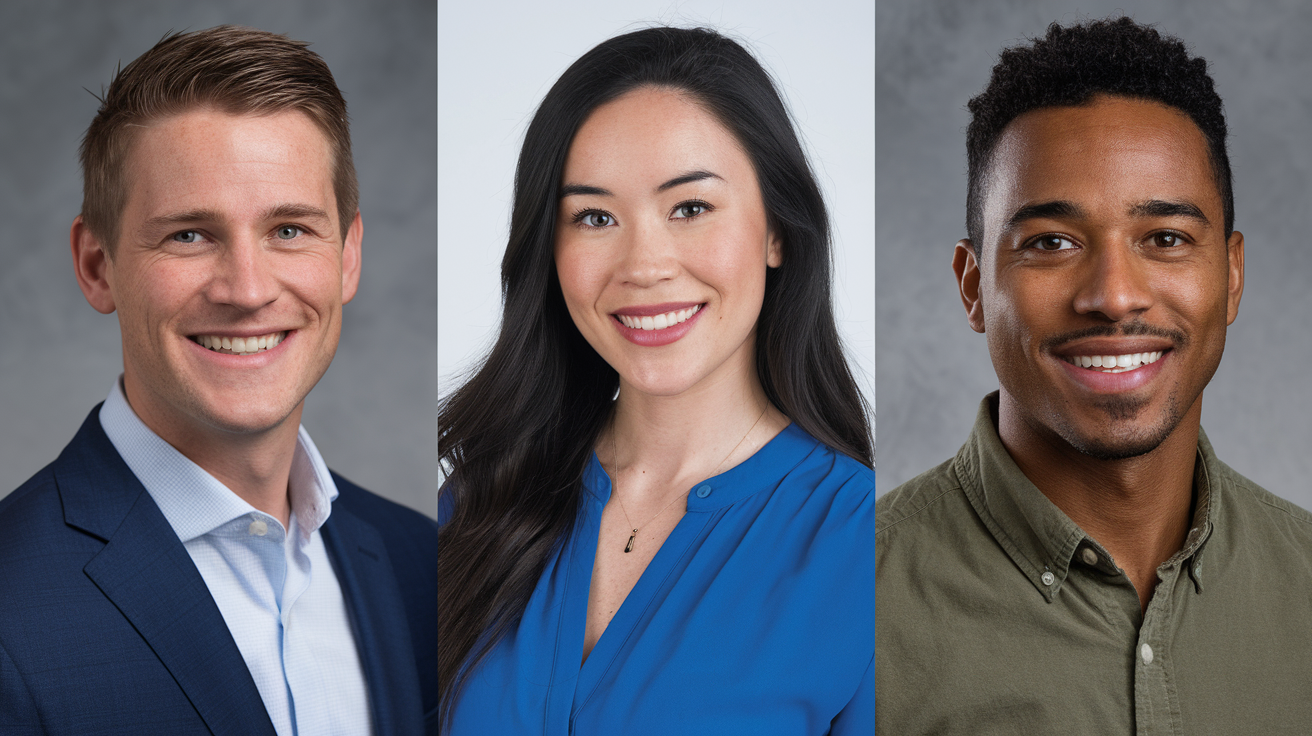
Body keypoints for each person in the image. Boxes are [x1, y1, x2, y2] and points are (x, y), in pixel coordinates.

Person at [875, 16, 1312, 733]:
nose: (1113, 294)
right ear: (973, 286)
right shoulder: (851, 604)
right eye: (1051, 242)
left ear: (1231, 275)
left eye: (1165, 238)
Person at [0, 26, 438, 735]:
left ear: (349, 255)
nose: (247, 288)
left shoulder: (422, 562)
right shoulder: (12, 605)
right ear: (96, 266)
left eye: (290, 229)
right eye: (189, 234)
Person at [438, 26, 874, 735]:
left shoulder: (864, 548)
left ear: (777, 232)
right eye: (595, 217)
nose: (643, 264)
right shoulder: (474, 505)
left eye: (691, 208)